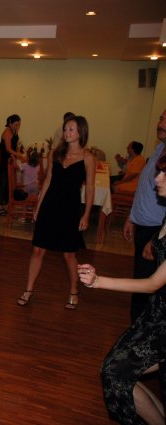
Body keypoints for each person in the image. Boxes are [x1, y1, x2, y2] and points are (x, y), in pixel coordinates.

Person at [77, 155, 166, 424]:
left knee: (116, 373)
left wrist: (98, 281)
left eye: (164, 174)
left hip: (163, 322)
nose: (157, 178)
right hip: (156, 314)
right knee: (115, 372)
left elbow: (153, 283)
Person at [16, 115, 95, 308]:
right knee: (37, 250)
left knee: (69, 254)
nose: (67, 133)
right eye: (65, 129)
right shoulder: (55, 153)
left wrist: (86, 214)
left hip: (70, 209)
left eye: (71, 129)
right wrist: (38, 206)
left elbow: (90, 189)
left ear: (81, 132)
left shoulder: (88, 158)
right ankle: (28, 289)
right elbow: (48, 180)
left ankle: (74, 291)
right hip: (49, 205)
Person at [123, 109, 166, 321]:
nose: (160, 122)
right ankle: (137, 325)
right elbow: (144, 188)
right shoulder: (159, 150)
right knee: (140, 280)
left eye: (165, 119)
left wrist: (156, 238)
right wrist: (132, 216)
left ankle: (140, 329)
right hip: (144, 226)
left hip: (155, 230)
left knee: (147, 287)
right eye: (161, 118)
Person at [0, 114, 24, 215]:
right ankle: (0, 207)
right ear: (10, 123)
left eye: (19, 124)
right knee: (2, 184)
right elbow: (8, 149)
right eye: (16, 124)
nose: (18, 126)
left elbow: (14, 147)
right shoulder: (7, 132)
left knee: (7, 184)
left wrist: (15, 158)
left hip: (8, 160)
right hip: (2, 161)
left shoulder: (14, 131)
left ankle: (5, 205)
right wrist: (19, 155)